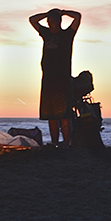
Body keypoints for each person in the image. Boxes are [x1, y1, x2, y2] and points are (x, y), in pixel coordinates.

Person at [29, 8, 82, 148]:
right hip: (47, 80)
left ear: (59, 22)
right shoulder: (46, 33)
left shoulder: (67, 35)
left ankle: (66, 143)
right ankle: (54, 143)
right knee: (50, 115)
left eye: (52, 21)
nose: (50, 24)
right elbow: (32, 20)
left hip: (62, 80)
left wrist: (63, 12)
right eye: (49, 22)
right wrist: (47, 14)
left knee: (64, 115)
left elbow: (77, 17)